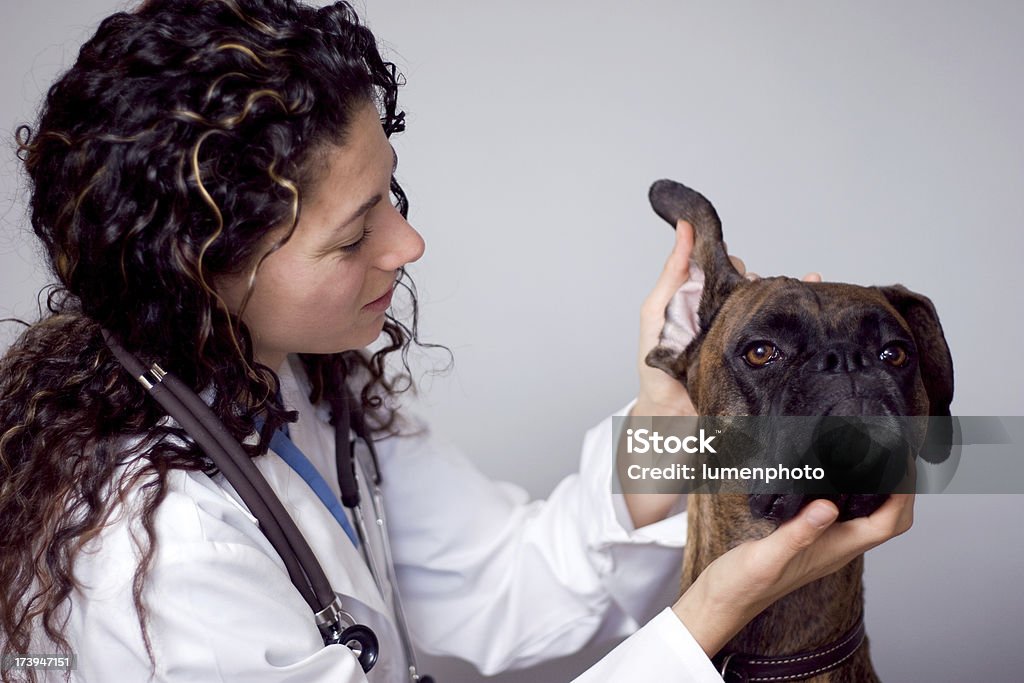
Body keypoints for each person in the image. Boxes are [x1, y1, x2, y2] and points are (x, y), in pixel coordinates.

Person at [0, 1, 914, 681]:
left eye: (392, 196)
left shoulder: (303, 386)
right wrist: (712, 610)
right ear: (208, 271)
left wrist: (665, 422)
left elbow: (500, 581)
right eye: (354, 235)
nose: (407, 246)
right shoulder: (155, 558)